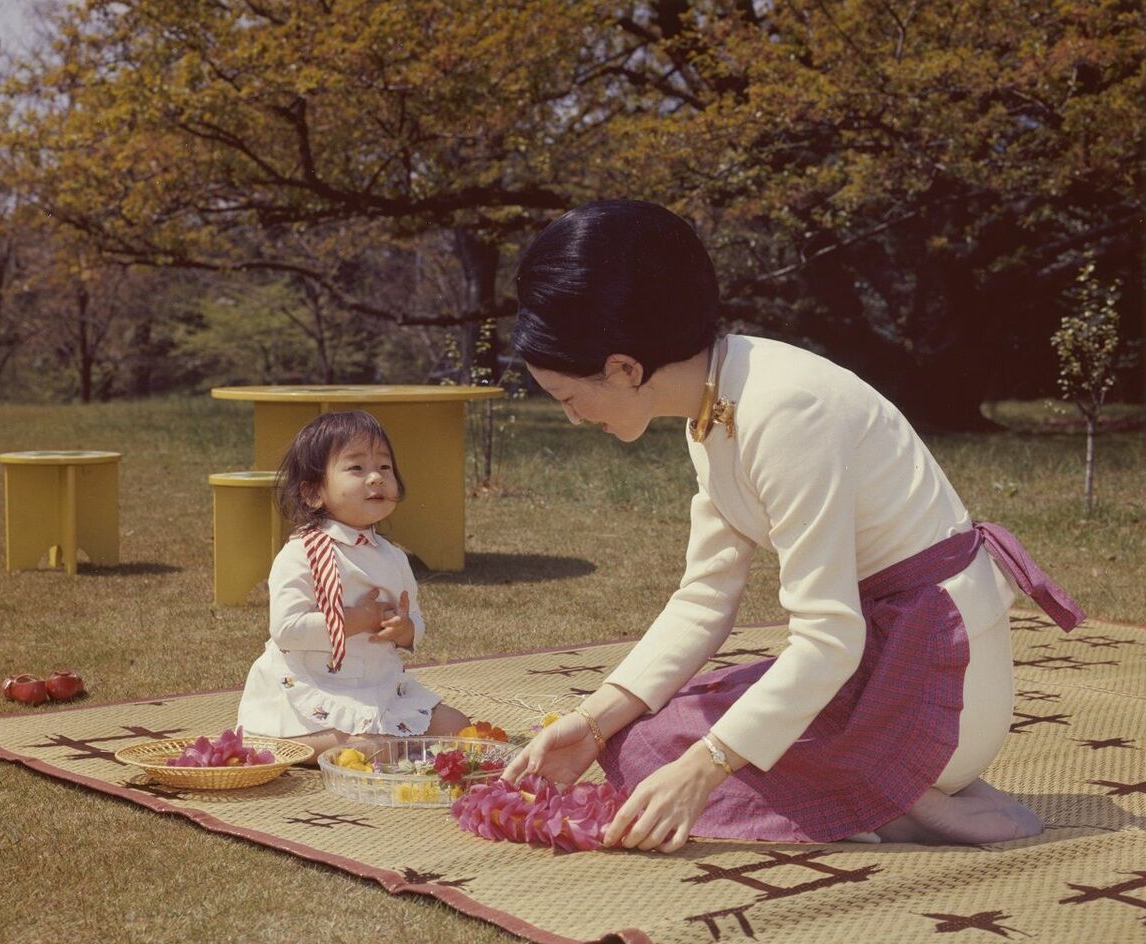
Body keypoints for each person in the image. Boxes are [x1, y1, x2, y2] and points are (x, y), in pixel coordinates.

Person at [500, 199, 1084, 852]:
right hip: (875, 652)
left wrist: (706, 767)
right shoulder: (714, 402)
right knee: (641, 742)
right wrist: (593, 723)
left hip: (942, 684)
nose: (576, 420)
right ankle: (871, 794)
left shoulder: (784, 410)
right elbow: (704, 597)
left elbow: (829, 637)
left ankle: (908, 798)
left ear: (625, 369)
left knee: (683, 764)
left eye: (571, 401)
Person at [237, 411, 469, 757]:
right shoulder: (301, 553)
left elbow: (416, 618)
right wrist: (353, 620)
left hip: (378, 683)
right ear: (314, 493)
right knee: (377, 749)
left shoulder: (392, 557)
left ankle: (377, 738)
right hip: (319, 685)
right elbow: (286, 629)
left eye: (385, 467)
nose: (375, 477)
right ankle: (283, 742)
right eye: (356, 468)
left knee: (458, 727)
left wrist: (404, 629)